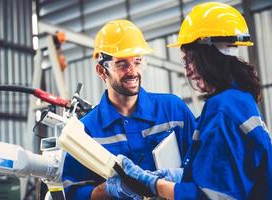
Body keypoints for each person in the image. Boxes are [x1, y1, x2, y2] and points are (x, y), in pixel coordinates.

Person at [106, 2, 272, 200]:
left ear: (203, 56)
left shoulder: (222, 110)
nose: (188, 70)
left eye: (187, 60)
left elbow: (210, 196)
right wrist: (182, 177)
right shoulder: (241, 100)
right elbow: (226, 174)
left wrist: (153, 184)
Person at [62, 19, 196, 199]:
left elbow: (204, 165)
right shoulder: (86, 131)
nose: (133, 71)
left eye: (137, 61)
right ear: (102, 71)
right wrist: (108, 190)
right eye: (122, 64)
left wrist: (180, 175)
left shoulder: (173, 110)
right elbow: (73, 193)